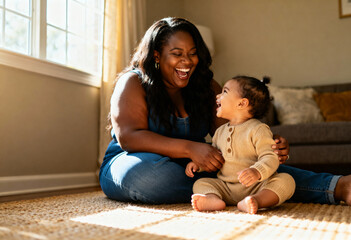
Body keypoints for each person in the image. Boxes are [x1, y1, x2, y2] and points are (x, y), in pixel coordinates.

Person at [99, 17, 351, 206]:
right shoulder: (133, 82)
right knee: (150, 179)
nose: (187, 62)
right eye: (176, 54)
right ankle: (235, 189)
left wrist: (264, 147)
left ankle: (337, 186)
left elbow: (232, 135)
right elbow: (129, 137)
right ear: (156, 55)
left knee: (246, 166)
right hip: (133, 160)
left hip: (195, 165)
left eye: (192, 53)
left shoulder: (206, 85)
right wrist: (190, 148)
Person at [186, 76, 295, 214]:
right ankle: (212, 199)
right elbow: (215, 156)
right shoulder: (220, 132)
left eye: (225, 91)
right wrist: (199, 165)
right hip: (227, 187)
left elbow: (271, 156)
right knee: (201, 183)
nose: (218, 96)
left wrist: (256, 171)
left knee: (286, 180)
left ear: (242, 103)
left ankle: (256, 200)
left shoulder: (258, 129)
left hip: (258, 186)